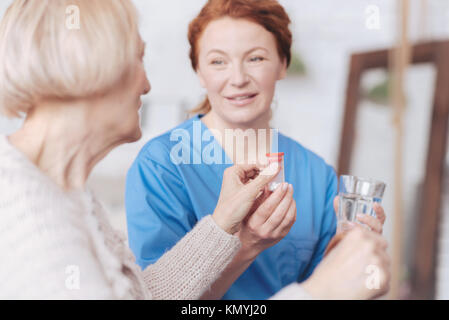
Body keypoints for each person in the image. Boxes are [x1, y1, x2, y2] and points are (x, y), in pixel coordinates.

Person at [0, 0, 389, 300]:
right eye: (138, 59)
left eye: (256, 58)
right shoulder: (26, 215)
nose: (148, 85)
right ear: (90, 68)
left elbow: (145, 294)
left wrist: (339, 263)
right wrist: (316, 294)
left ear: (282, 64)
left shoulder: (71, 197)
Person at [125, 0, 387, 300]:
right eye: (218, 62)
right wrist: (246, 245)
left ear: (282, 64)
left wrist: (348, 258)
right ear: (199, 71)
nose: (237, 79)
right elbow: (158, 297)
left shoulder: (317, 175)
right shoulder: (161, 166)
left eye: (256, 59)